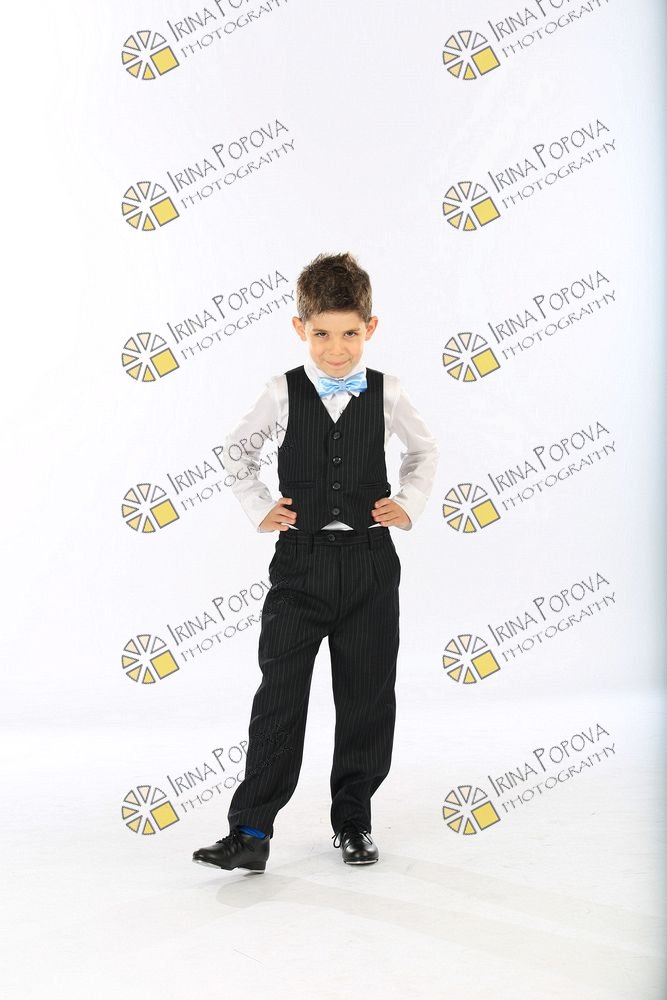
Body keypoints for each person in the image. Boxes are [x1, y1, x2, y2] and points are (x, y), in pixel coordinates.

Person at [192, 252, 439, 873]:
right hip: (299, 567)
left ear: (370, 328)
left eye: (350, 334)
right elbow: (236, 451)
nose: (336, 350)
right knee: (279, 696)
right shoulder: (281, 391)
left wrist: (407, 503)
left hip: (370, 565)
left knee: (366, 698)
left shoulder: (388, 391)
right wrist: (260, 508)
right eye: (322, 333)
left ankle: (353, 820)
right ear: (300, 327)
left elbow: (424, 451)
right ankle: (251, 831)